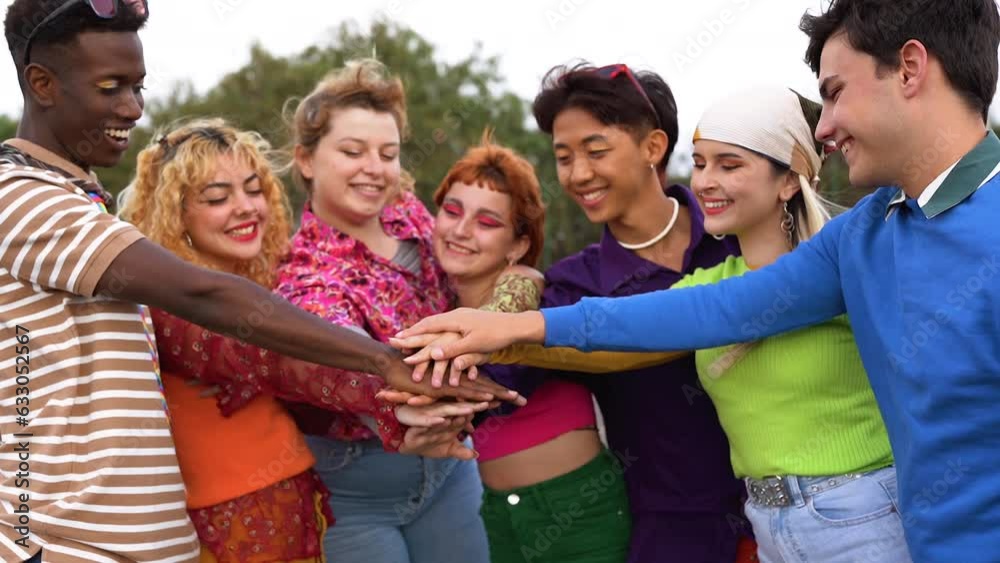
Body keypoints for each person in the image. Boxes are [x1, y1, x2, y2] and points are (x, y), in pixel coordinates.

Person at [395, 1, 1000, 560]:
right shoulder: (865, 235)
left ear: (911, 69)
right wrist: (514, 323)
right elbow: (710, 310)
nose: (825, 126)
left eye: (836, 93)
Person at [0, 3, 515, 561]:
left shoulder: (78, 202)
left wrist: (402, 398)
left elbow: (268, 354)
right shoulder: (21, 198)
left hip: (147, 542)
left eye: (138, 87)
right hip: (63, 542)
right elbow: (218, 311)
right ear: (42, 84)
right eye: (110, 87)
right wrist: (387, 367)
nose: (133, 108)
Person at [402, 62, 753, 563]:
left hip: (796, 513)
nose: (578, 174)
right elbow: (501, 366)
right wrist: (429, 397)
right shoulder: (575, 285)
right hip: (671, 534)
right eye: (564, 157)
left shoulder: (737, 237)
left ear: (652, 148)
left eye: (596, 151)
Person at [121, 118, 488, 562]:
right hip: (236, 530)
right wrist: (395, 400)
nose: (245, 207)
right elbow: (285, 361)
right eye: (217, 197)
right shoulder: (173, 307)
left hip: (308, 505)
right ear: (175, 214)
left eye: (253, 189)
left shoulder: (275, 279)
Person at [266, 59, 491, 563]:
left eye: (387, 154)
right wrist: (412, 404)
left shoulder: (408, 214)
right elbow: (338, 352)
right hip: (354, 488)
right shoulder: (305, 270)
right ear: (305, 159)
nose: (375, 168)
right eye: (352, 151)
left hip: (449, 473)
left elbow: (471, 275)